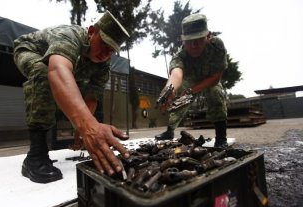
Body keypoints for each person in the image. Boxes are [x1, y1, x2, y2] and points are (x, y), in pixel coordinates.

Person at [13, 11, 130, 183]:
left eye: (112, 50)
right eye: (104, 44)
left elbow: (91, 96)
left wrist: (80, 130)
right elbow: (57, 70)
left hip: (64, 66)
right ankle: (35, 155)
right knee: (44, 73)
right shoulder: (69, 35)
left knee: (76, 87)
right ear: (91, 32)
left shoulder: (103, 65)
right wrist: (88, 126)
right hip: (31, 50)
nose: (106, 54)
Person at [155, 14, 229, 148]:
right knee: (178, 98)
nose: (193, 45)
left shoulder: (217, 46)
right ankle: (170, 131)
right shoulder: (180, 55)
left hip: (210, 78)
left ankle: (221, 137)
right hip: (191, 79)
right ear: (182, 40)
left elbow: (216, 77)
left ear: (208, 36)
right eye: (188, 41)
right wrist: (169, 88)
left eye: (198, 40)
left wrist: (191, 91)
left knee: (216, 93)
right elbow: (176, 74)